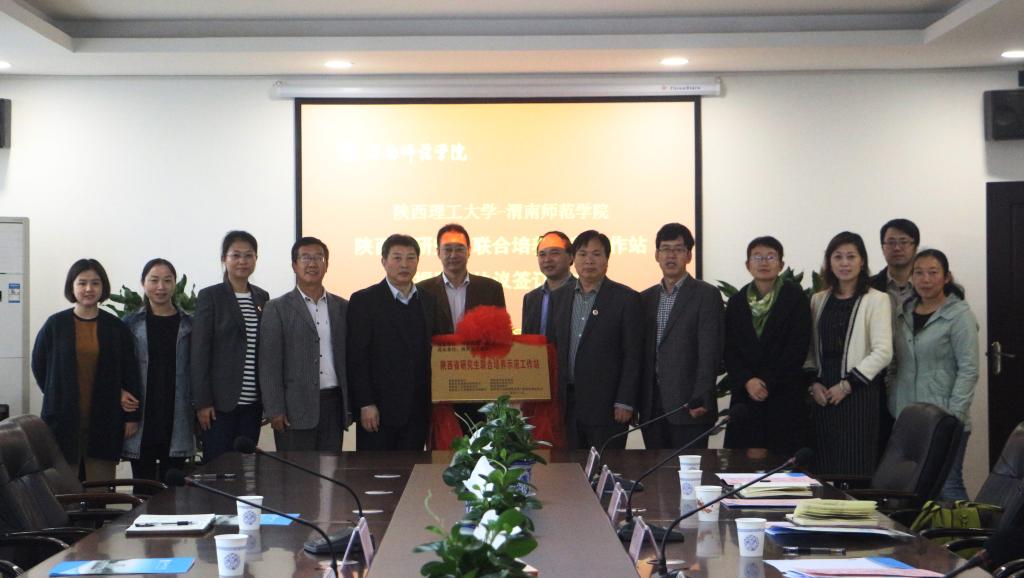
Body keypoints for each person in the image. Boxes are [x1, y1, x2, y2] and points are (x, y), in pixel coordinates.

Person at [31, 259, 141, 482]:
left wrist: (131, 417)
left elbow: (129, 372)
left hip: (104, 419)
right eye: (82, 283)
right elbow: (39, 366)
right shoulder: (55, 325)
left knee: (99, 488)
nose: (89, 289)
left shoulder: (116, 327)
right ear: (72, 287)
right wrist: (57, 391)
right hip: (63, 418)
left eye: (95, 283)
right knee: (63, 489)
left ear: (103, 287)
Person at [888, 249, 978, 500]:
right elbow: (895, 364)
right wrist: (893, 400)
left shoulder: (959, 315)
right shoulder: (903, 313)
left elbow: (969, 369)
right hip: (907, 417)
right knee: (911, 488)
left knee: (948, 485)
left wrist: (955, 415)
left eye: (933, 272)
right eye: (919, 273)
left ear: (946, 277)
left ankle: (969, 528)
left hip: (945, 416)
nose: (925, 279)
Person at [805, 231, 892, 476]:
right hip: (823, 392)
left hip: (859, 391)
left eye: (851, 257)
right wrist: (814, 384)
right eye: (838, 257)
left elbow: (883, 351)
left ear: (862, 261)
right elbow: (809, 347)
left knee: (854, 466)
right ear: (829, 262)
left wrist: (847, 385)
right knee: (823, 468)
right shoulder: (818, 300)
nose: (844, 263)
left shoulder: (877, 299)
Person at [549, 230, 642, 450]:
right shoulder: (558, 297)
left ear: (607, 260)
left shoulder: (626, 299)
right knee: (570, 467)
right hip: (567, 406)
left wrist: (625, 401)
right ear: (573, 259)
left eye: (596, 254)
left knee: (606, 466)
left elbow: (633, 354)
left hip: (608, 407)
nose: (589, 260)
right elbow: (553, 349)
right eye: (582, 254)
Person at [348, 234, 439, 450]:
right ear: (384, 261)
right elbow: (357, 358)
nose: (404, 265)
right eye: (397, 258)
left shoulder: (428, 300)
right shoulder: (364, 301)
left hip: (418, 410)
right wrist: (365, 403)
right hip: (378, 411)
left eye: (410, 258)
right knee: (376, 469)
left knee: (413, 468)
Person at [260, 236, 350, 451]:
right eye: (306, 258)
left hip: (333, 404)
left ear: (327, 265)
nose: (312, 263)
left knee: (331, 469)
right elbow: (269, 364)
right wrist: (274, 409)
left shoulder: (343, 307)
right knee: (296, 470)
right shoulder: (277, 308)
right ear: (294, 265)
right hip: (293, 408)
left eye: (319, 257)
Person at [723, 236, 811, 454]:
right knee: (742, 464)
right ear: (748, 265)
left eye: (771, 257)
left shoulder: (795, 298)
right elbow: (729, 349)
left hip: (783, 394)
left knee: (782, 463)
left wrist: (766, 381)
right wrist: (748, 381)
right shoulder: (736, 302)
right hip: (746, 397)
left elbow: (798, 347)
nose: (764, 262)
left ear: (781, 264)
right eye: (757, 257)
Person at [638, 223, 723, 450]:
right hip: (652, 407)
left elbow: (710, 352)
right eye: (665, 249)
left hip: (690, 405)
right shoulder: (644, 299)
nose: (671, 255)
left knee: (689, 469)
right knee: (655, 470)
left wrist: (701, 397)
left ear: (689, 255)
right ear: (656, 255)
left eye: (678, 249)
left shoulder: (706, 295)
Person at [190, 231, 269, 464]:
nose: (242, 261)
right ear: (224, 259)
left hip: (252, 403)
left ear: (256, 259)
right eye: (236, 255)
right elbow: (199, 352)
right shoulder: (211, 296)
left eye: (249, 255)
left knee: (246, 468)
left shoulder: (262, 297)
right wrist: (203, 403)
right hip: (219, 405)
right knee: (218, 468)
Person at [417, 223, 506, 425]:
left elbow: (500, 337)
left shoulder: (491, 289)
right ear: (438, 252)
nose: (453, 255)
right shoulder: (422, 291)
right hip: (437, 386)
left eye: (459, 249)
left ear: (469, 250)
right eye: (447, 249)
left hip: (480, 385)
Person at [122, 258, 195, 486]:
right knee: (143, 487)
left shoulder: (190, 324)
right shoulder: (130, 324)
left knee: (174, 489)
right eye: (154, 280)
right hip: (142, 415)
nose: (160, 287)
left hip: (177, 415)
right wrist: (120, 394)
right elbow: (119, 367)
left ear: (175, 284)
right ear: (143, 283)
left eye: (167, 280)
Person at [869, 218, 920, 452]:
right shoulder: (868, 287)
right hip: (877, 382)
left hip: (918, 377)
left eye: (904, 241)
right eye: (890, 242)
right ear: (882, 247)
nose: (897, 248)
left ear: (915, 246)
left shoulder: (930, 285)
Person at [522, 231, 575, 336]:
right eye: (542, 254)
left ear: (570, 257)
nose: (547, 259)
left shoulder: (582, 293)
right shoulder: (530, 298)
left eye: (554, 253)